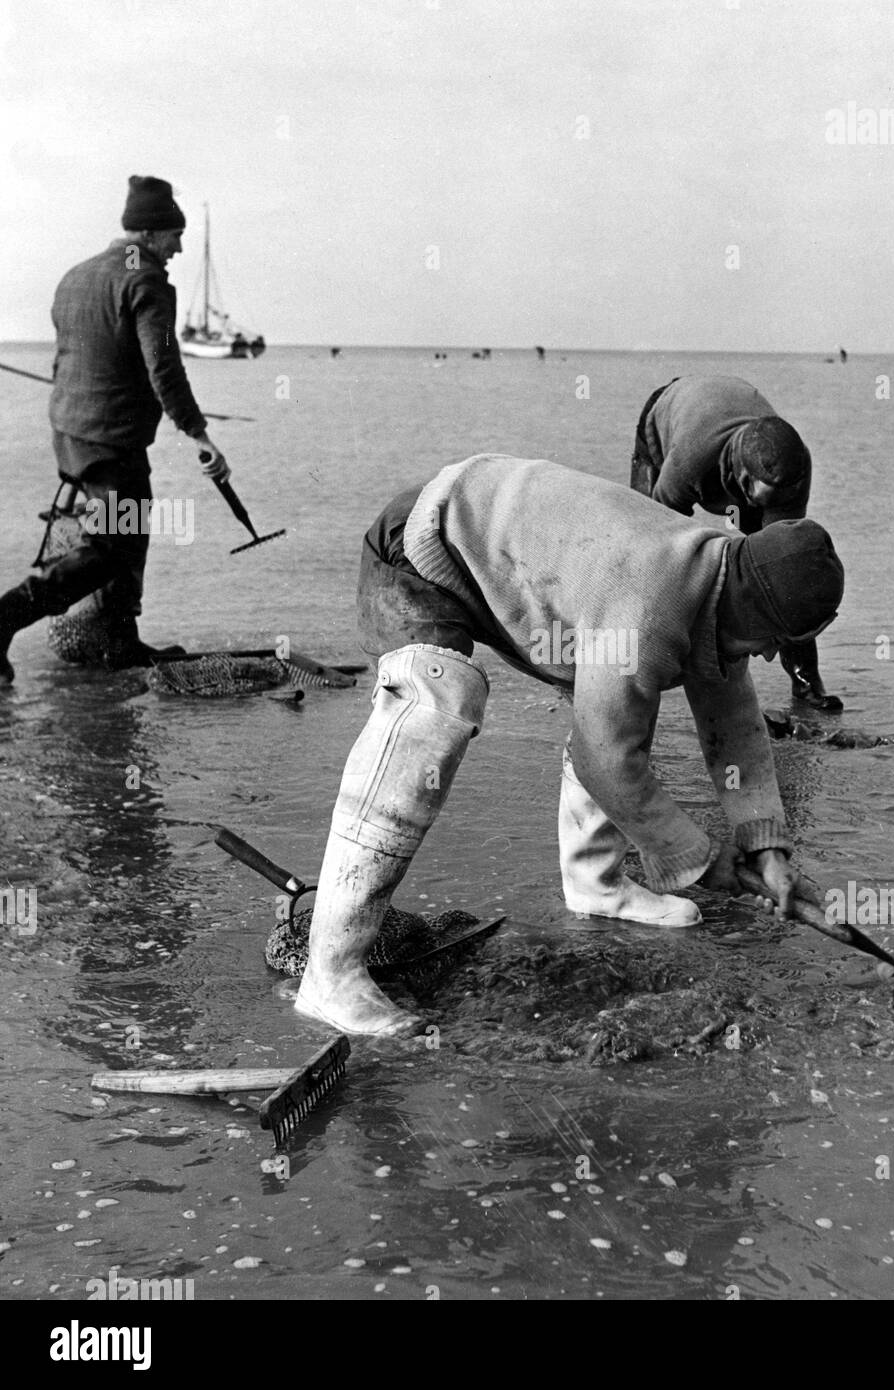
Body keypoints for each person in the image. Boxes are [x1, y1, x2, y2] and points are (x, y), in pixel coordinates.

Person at [295, 453, 844, 1035]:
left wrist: (766, 847)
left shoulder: (717, 579)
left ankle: (596, 885)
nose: (763, 656)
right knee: (436, 701)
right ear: (748, 603)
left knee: (617, 705)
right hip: (423, 546)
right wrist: (699, 862)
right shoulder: (650, 605)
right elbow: (604, 762)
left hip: (523, 543)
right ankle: (330, 974)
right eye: (772, 640)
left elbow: (734, 726)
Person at [0, 175, 231, 684]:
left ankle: (120, 643)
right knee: (112, 546)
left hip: (71, 431)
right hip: (111, 438)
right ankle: (5, 618)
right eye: (174, 235)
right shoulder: (144, 281)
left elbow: (77, 356)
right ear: (149, 234)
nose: (179, 246)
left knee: (129, 527)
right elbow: (163, 368)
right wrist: (199, 435)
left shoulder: (77, 275)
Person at [630, 374, 840, 709]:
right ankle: (636, 672)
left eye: (785, 495)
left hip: (724, 420)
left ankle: (806, 682)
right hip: (666, 415)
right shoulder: (689, 463)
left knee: (785, 578)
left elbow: (784, 573)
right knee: (641, 553)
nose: (780, 502)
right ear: (744, 481)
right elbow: (658, 543)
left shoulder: (791, 465)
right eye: (770, 498)